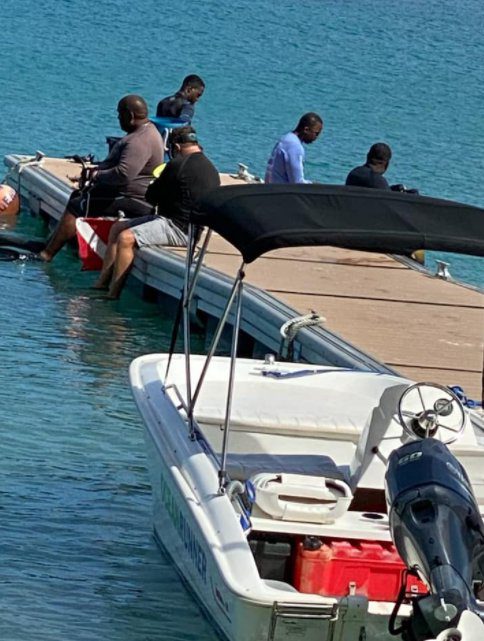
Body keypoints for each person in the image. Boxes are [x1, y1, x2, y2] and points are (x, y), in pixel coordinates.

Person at [92, 126, 220, 299]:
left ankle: (113, 293)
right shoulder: (211, 168)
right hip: (191, 227)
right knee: (117, 228)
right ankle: (101, 283)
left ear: (176, 147)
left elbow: (151, 197)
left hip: (179, 229)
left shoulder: (176, 165)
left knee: (125, 238)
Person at [39, 95, 164, 262]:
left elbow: (123, 174)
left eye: (120, 114)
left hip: (135, 199)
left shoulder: (139, 140)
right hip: (126, 194)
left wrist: (97, 175)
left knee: (80, 204)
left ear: (130, 115)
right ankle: (57, 244)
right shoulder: (146, 131)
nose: (118, 118)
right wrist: (94, 171)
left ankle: (47, 255)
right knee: (78, 195)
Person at [265, 112, 323, 184]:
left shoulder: (286, 138)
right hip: (280, 192)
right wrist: (314, 184)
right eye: (316, 133)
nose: (316, 137)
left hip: (270, 188)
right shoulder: (295, 147)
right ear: (306, 130)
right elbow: (297, 183)